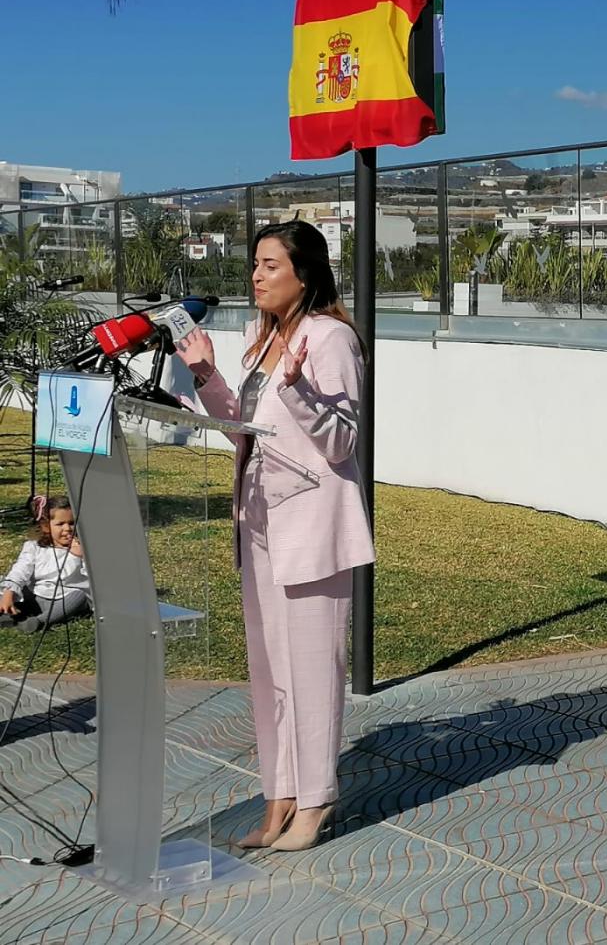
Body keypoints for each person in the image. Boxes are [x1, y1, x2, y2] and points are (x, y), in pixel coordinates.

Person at [176, 220, 374, 853]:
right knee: (271, 673)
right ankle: (278, 795)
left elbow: (344, 442)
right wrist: (207, 375)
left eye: (269, 265)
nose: (256, 276)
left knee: (313, 670)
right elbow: (246, 432)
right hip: (259, 521)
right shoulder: (264, 342)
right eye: (254, 265)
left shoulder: (332, 338)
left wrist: (305, 393)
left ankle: (316, 801)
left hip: (311, 528)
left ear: (304, 274)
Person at [0, 496, 92, 634]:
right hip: (36, 595)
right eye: (60, 524)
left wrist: (82, 556)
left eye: (72, 523)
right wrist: (9, 592)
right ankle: (8, 611)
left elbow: (95, 581)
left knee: (79, 596)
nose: (67, 528)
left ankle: (40, 621)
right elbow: (21, 570)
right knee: (10, 585)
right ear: (46, 526)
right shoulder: (34, 547)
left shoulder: (84, 549)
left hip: (61, 600)